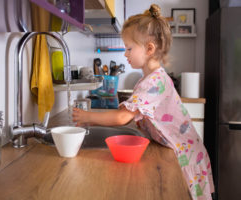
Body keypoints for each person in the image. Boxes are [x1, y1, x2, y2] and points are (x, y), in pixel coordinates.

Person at [72, 4, 214, 200]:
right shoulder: (149, 79)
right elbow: (132, 116)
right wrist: (92, 120)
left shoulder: (155, 81)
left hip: (187, 158)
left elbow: (123, 117)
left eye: (129, 48)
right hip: (182, 152)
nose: (125, 54)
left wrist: (89, 116)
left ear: (149, 49)